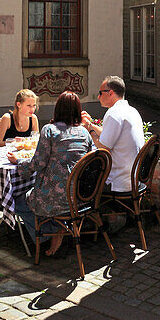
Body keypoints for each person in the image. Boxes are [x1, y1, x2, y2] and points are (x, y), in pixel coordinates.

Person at [8, 91, 94, 256]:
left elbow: (37, 163)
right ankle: (57, 227)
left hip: (55, 197)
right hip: (80, 196)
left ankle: (49, 232)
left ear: (58, 109)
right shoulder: (84, 132)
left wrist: (18, 162)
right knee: (32, 197)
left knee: (17, 201)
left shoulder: (50, 130)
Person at [83, 76, 145, 194]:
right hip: (133, 178)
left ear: (110, 93)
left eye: (100, 93)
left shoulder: (114, 114)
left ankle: (85, 210)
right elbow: (110, 134)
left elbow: (103, 148)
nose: (98, 97)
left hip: (118, 182)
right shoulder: (131, 111)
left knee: (81, 179)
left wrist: (89, 131)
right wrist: (90, 125)